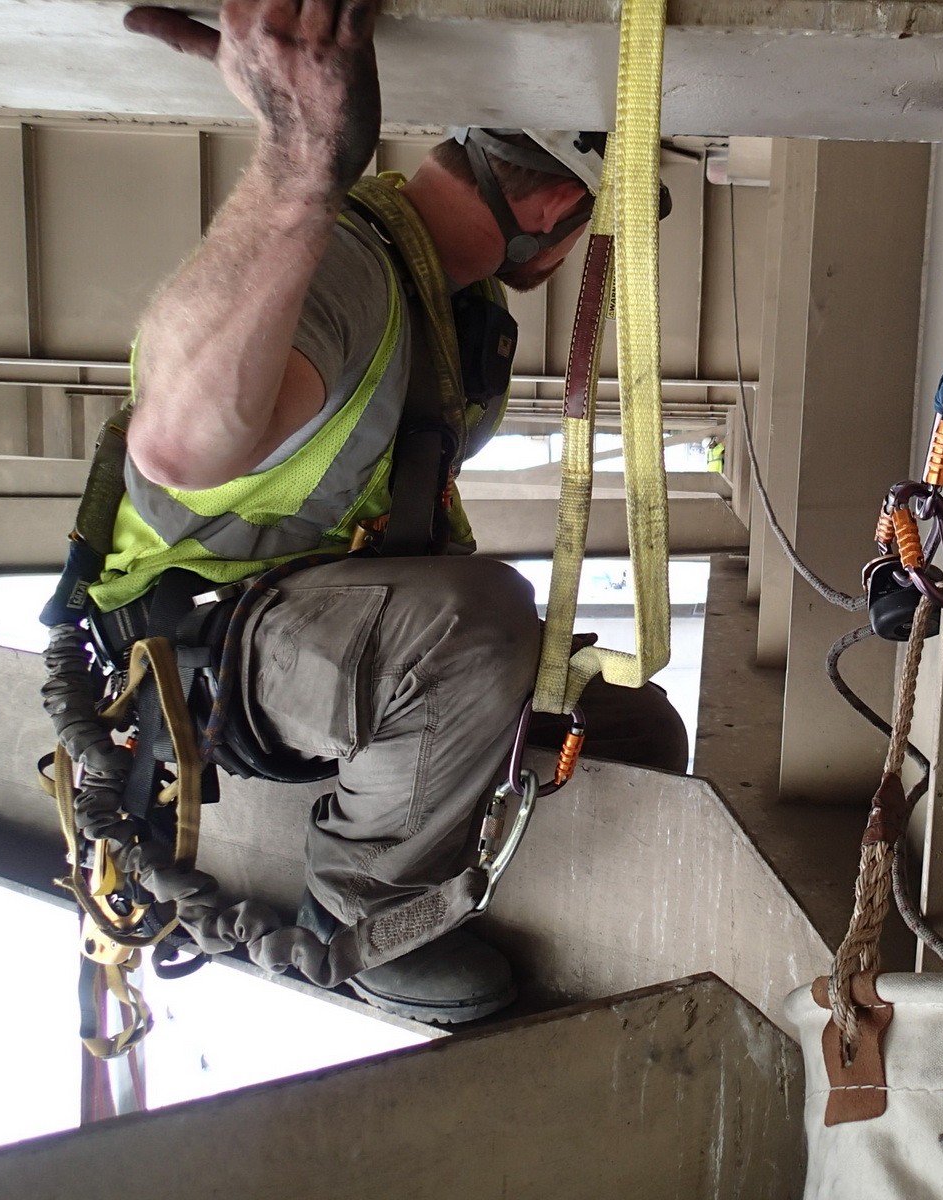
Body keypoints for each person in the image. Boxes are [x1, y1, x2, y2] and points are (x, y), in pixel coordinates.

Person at [90, 0, 688, 1023]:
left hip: (315, 628)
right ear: (557, 206)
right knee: (474, 624)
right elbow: (178, 446)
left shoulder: (454, 306)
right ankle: (363, 915)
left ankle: (459, 852)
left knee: (633, 728)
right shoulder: (348, 264)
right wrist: (297, 167)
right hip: (213, 643)